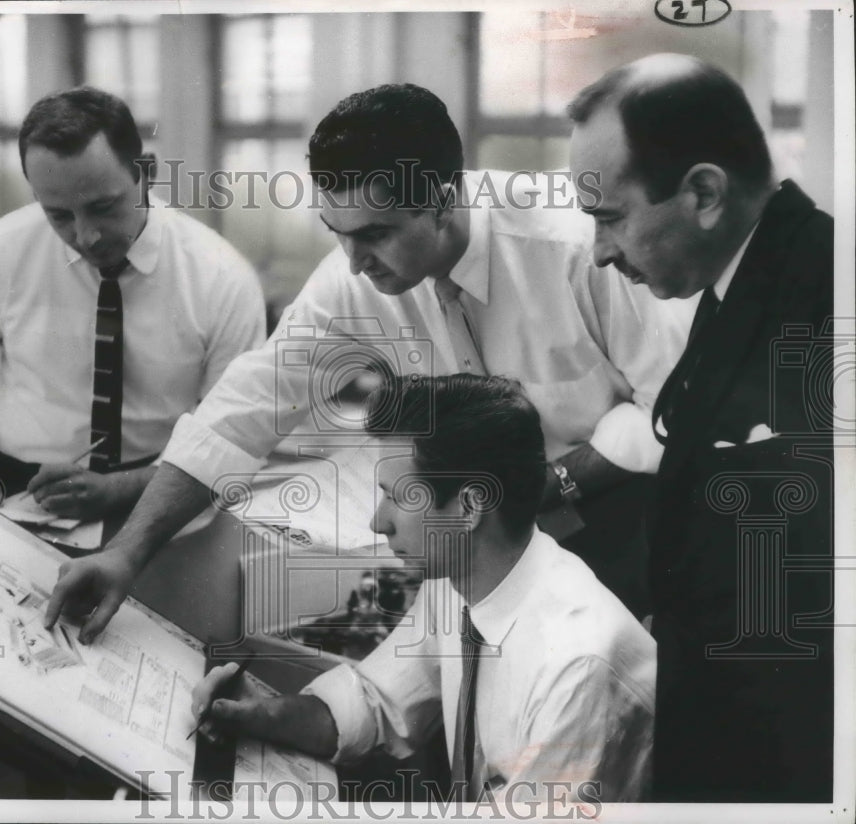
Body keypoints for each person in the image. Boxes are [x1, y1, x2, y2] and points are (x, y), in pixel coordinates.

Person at [45, 83, 686, 638]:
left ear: (441, 202)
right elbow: (242, 412)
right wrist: (127, 554)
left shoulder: (573, 248)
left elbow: (672, 409)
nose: (354, 261)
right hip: (470, 533)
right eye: (338, 233)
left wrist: (554, 484)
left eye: (374, 234)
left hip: (613, 514)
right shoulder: (354, 282)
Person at [567, 53, 834, 801]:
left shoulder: (823, 304)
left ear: (705, 194)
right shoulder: (742, 286)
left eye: (610, 218)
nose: (600, 253)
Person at [192, 374, 656, 803]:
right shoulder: (460, 580)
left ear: (470, 507)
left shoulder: (577, 667)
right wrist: (266, 713)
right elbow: (379, 702)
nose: (379, 521)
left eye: (398, 496)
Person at [0, 87, 266, 520]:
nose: (86, 236)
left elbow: (228, 434)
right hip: (13, 497)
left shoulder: (221, 277)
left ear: (146, 173)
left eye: (103, 207)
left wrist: (123, 491)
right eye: (59, 215)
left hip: (165, 499)